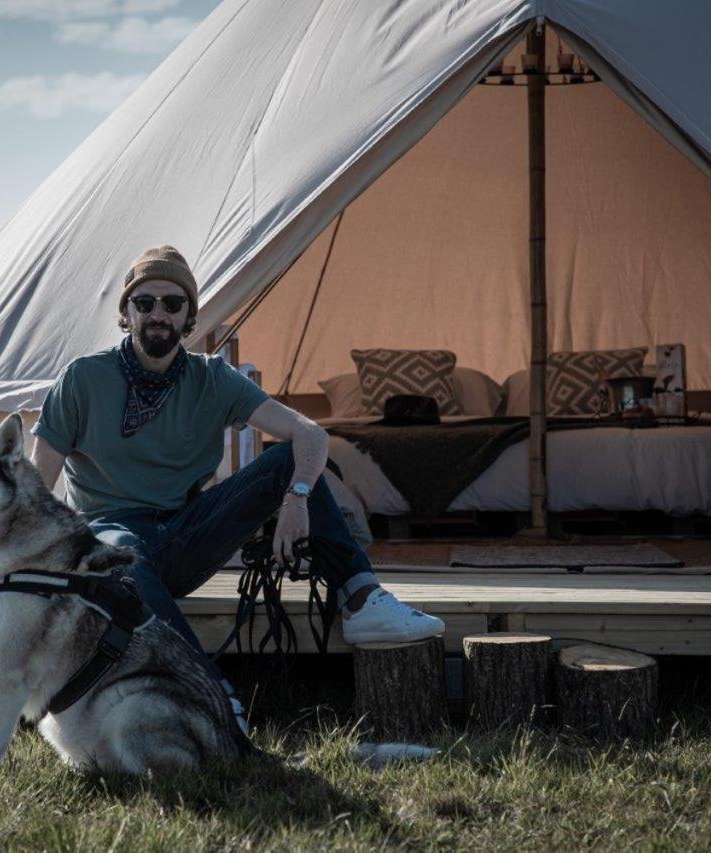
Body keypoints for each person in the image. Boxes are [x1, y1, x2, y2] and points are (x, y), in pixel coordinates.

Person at [29, 245, 444, 734]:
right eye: (144, 303)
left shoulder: (212, 378)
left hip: (185, 532)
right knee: (121, 551)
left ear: (189, 317)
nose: (158, 314)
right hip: (110, 535)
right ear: (126, 313)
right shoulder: (83, 379)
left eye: (172, 304)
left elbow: (309, 434)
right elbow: (36, 485)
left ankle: (361, 598)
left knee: (286, 459)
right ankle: (210, 694)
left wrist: (296, 497)